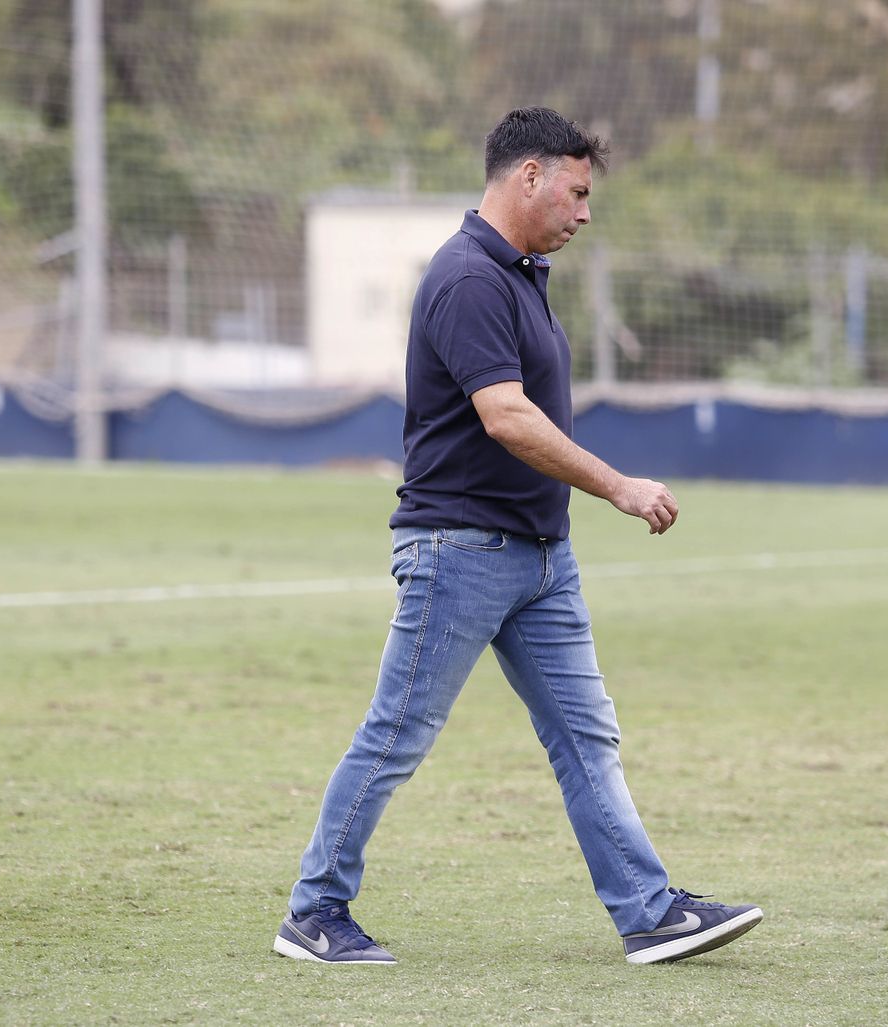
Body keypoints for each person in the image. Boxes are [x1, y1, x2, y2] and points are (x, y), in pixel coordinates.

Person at [273, 107, 762, 967]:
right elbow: (505, 417)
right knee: (396, 736)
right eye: (575, 192)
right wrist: (617, 485)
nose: (583, 212)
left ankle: (649, 912)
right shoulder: (467, 278)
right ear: (527, 176)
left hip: (541, 558)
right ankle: (314, 915)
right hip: (461, 551)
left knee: (587, 738)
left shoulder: (522, 273)